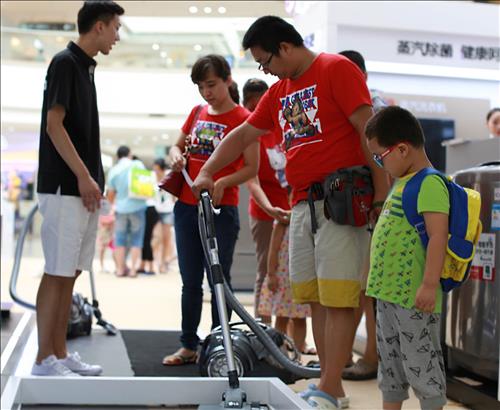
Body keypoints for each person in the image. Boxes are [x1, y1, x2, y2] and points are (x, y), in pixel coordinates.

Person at [192, 16, 390, 409]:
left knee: (339, 297)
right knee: (314, 297)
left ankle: (331, 387)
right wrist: (208, 170)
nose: (264, 70)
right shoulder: (280, 91)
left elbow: (367, 129)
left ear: (285, 47)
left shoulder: (335, 69)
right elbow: (244, 134)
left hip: (341, 200)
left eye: (265, 60)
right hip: (301, 204)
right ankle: (329, 385)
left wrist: (381, 193)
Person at [32, 0, 124, 377]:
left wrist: (93, 181)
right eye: (115, 28)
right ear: (99, 26)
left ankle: (59, 351)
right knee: (57, 271)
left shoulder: (85, 68)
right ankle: (44, 359)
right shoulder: (65, 63)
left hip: (82, 189)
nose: (117, 36)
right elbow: (54, 125)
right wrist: (84, 176)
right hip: (63, 186)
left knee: (71, 272)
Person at [162, 54, 258, 366]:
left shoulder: (244, 118)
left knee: (219, 280)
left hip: (220, 209)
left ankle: (221, 344)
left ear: (228, 80)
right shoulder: (197, 112)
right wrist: (176, 155)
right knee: (190, 280)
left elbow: (252, 167)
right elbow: (176, 145)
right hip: (186, 207)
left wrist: (223, 181)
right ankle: (188, 344)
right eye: (201, 87)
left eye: (212, 85)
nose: (207, 92)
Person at [365, 106, 448, 410]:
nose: (379, 164)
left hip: (414, 299)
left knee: (422, 365)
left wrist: (429, 284)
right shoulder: (401, 182)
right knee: (390, 368)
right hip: (387, 296)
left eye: (379, 157)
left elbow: (438, 236)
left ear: (401, 149)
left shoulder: (430, 183)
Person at [338, 49, 388, 381]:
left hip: (375, 204)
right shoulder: (348, 107)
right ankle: (344, 354)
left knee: (369, 287)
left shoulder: (377, 109)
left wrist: (382, 199)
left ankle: (372, 356)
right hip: (354, 204)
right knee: (354, 285)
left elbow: (385, 159)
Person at [242, 78, 290, 323]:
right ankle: (262, 328)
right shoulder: (252, 134)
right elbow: (252, 180)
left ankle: (286, 332)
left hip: (291, 212)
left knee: (290, 271)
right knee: (266, 268)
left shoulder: (281, 128)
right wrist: (270, 209)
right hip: (264, 213)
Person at [107, 146, 147, 278]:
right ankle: (133, 270)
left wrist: (111, 208)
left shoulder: (114, 170)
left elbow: (111, 194)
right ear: (129, 154)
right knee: (137, 239)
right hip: (138, 206)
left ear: (118, 156)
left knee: (119, 239)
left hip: (121, 208)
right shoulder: (137, 164)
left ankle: (120, 269)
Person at [152, 158, 176, 272]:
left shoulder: (169, 175)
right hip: (155, 211)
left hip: (167, 210)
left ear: (162, 169)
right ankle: (155, 260)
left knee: (166, 238)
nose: (155, 172)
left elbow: (174, 193)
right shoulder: (152, 177)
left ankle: (163, 263)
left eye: (157, 169)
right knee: (157, 238)